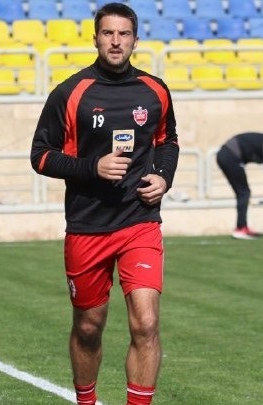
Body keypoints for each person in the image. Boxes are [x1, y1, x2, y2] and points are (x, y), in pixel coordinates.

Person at [29, 3, 179, 405]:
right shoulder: (70, 93)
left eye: (123, 34)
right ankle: (86, 400)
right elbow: (40, 156)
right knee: (88, 327)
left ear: (135, 40)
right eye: (108, 34)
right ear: (95, 39)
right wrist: (92, 167)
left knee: (146, 323)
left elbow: (167, 141)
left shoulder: (154, 90)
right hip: (88, 226)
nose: (116, 41)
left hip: (139, 221)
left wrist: (163, 177)